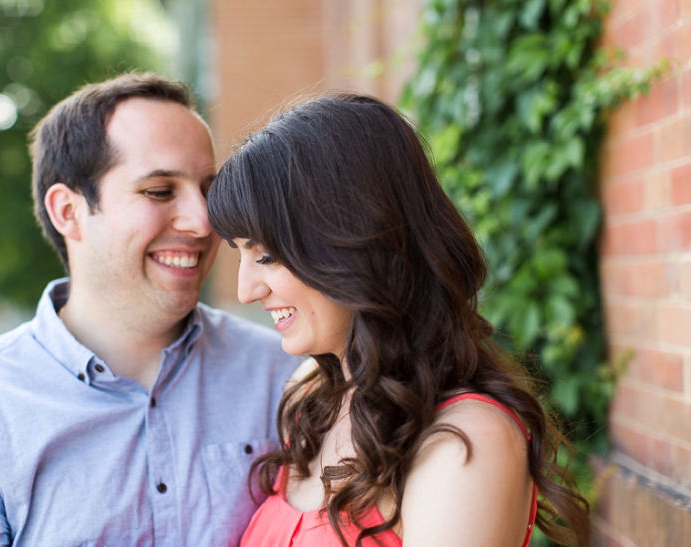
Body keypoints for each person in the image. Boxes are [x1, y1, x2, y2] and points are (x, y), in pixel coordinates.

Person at [0, 73, 300, 546]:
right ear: (68, 211)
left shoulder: (286, 375)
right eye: (160, 191)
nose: (204, 220)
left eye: (209, 188)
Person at [206, 93, 592, 547]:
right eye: (241, 255)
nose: (246, 291)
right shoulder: (311, 397)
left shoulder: (467, 441)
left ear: (353, 242)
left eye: (266, 255)